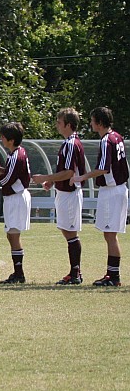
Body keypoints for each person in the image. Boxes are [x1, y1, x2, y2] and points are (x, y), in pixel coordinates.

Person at [71, 107, 128, 286]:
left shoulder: (106, 140)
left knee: (110, 234)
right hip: (119, 188)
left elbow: (104, 168)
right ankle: (112, 274)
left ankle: (113, 276)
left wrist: (82, 177)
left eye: (92, 120)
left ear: (100, 122)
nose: (90, 123)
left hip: (112, 190)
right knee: (110, 234)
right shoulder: (117, 136)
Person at [31, 108, 86, 284]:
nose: (57, 125)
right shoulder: (69, 143)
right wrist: (53, 182)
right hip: (64, 192)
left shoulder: (71, 144)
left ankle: (75, 273)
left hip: (69, 193)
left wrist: (45, 178)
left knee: (70, 232)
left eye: (59, 122)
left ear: (68, 125)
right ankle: (75, 272)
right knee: (67, 230)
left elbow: (69, 172)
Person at [0, 122, 31, 284]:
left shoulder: (16, 155)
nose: (1, 139)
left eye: (3, 137)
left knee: (13, 234)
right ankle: (18, 272)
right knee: (11, 234)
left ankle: (19, 273)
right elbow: (10, 173)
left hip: (16, 197)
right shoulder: (16, 154)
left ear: (11, 140)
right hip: (14, 197)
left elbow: (5, 180)